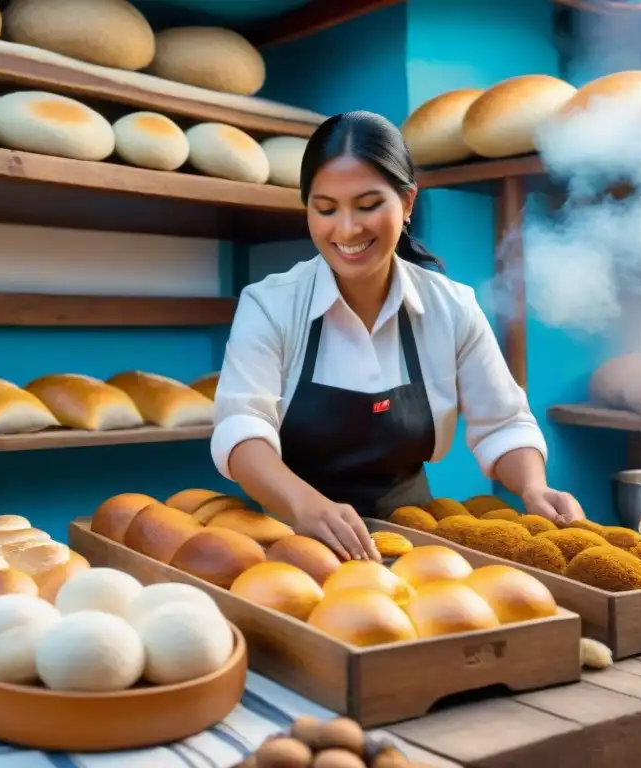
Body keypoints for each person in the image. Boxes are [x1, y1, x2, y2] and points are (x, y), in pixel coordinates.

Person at [210, 110, 584, 562]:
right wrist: (304, 503)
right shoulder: (270, 305)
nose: (347, 229)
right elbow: (240, 428)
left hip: (413, 542)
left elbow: (503, 422)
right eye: (325, 209)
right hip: (291, 541)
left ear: (407, 203)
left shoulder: (451, 307)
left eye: (368, 205)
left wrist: (533, 487)